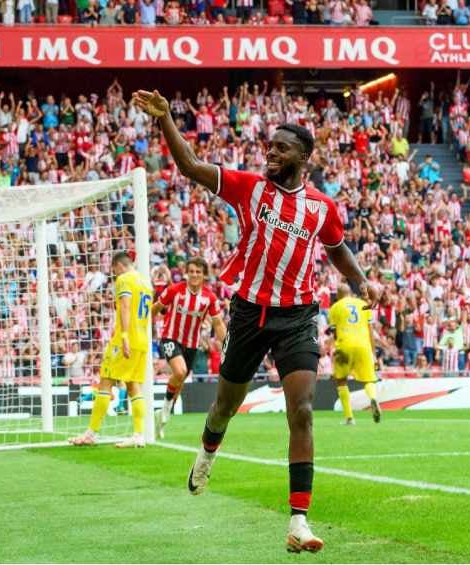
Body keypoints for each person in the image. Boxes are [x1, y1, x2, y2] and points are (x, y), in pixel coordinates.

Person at [131, 89, 378, 554]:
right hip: (249, 312)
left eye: (281, 147)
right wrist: (166, 118)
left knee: (302, 411)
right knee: (225, 405)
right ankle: (206, 453)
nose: (271, 151)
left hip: (299, 316)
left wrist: (363, 281)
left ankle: (298, 521)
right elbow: (191, 167)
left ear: (303, 157)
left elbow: (337, 248)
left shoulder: (321, 207)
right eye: (270, 144)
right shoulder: (250, 188)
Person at [69, 251, 153, 448]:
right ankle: (139, 435)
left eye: (114, 270)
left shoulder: (124, 279)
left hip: (125, 339)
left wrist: (123, 336)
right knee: (134, 387)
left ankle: (91, 433)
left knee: (105, 382)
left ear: (118, 266)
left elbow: (124, 306)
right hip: (142, 341)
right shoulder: (146, 282)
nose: (114, 274)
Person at [152, 257, 227, 439]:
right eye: (191, 271)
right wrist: (142, 325)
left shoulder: (209, 297)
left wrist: (226, 347)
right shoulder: (175, 290)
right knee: (179, 372)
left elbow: (217, 323)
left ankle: (161, 415)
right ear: (186, 272)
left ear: (204, 276)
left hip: (191, 346)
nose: (194, 275)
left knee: (178, 383)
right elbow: (156, 308)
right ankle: (164, 411)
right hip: (170, 337)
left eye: (198, 272)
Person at [327, 283, 380, 426]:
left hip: (344, 345)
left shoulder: (335, 308)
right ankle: (373, 398)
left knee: (341, 380)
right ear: (350, 292)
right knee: (368, 380)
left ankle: (349, 417)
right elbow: (370, 331)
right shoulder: (363, 304)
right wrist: (374, 354)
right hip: (363, 345)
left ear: (338, 294)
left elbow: (335, 332)